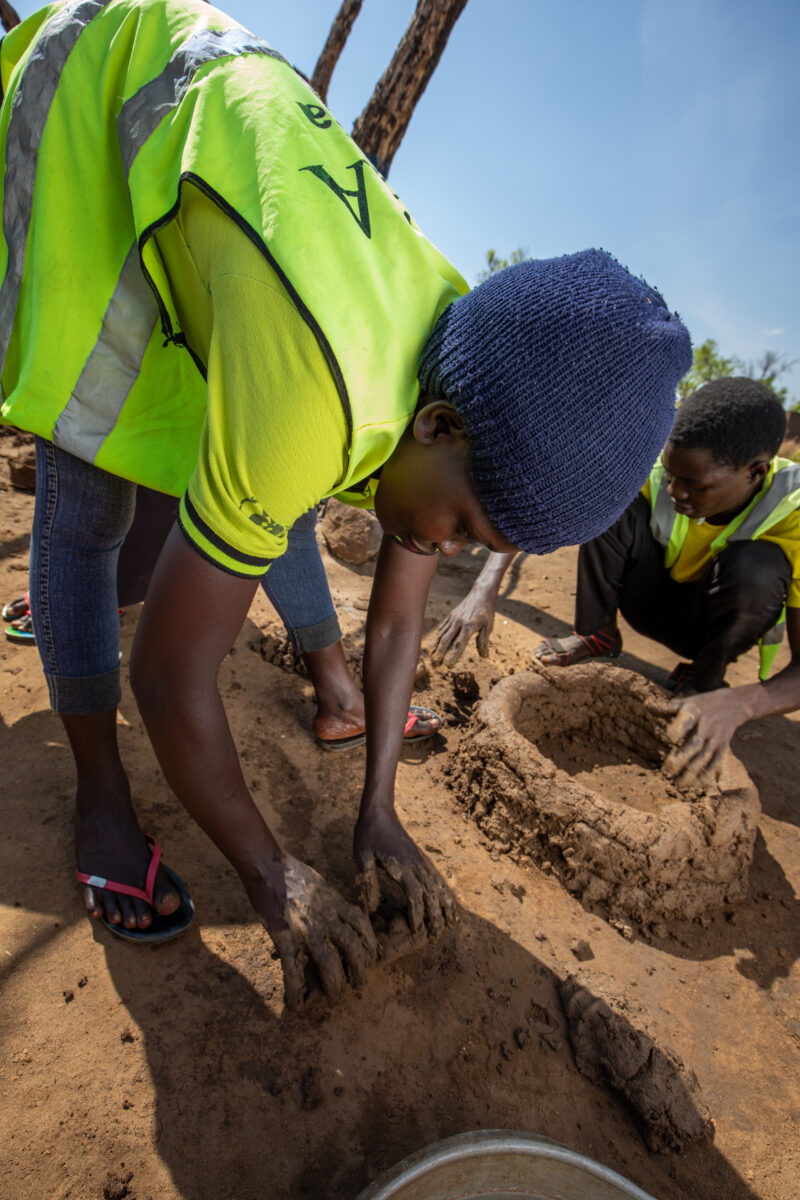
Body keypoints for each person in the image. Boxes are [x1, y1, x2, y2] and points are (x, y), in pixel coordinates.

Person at [0, 0, 690, 1006]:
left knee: (250, 475)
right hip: (100, 101)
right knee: (91, 486)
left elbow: (400, 610)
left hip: (232, 210)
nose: (434, 545)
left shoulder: (458, 376)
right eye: (458, 527)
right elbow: (168, 670)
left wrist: (378, 811)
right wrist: (269, 874)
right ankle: (100, 797)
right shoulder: (322, 383)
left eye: (468, 548)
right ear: (436, 426)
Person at [436, 378, 800, 786]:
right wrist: (483, 589)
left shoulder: (794, 510)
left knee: (760, 567)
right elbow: (550, 504)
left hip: (711, 625)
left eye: (696, 485)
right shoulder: (653, 463)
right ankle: (598, 635)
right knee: (609, 500)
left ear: (756, 472)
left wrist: (740, 703)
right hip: (646, 597)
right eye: (673, 475)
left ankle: (703, 680)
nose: (676, 491)